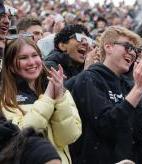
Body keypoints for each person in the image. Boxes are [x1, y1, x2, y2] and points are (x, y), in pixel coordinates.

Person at [66, 25, 142, 163]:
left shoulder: (127, 85)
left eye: (135, 50)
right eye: (127, 47)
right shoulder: (89, 78)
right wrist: (138, 90)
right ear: (108, 47)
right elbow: (106, 126)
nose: (132, 53)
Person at [1, 35, 82, 164]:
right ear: (10, 65)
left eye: (35, 55)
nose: (32, 62)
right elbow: (20, 137)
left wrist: (60, 99)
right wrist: (48, 99)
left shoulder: (59, 89)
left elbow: (68, 137)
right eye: (23, 58)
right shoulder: (5, 98)